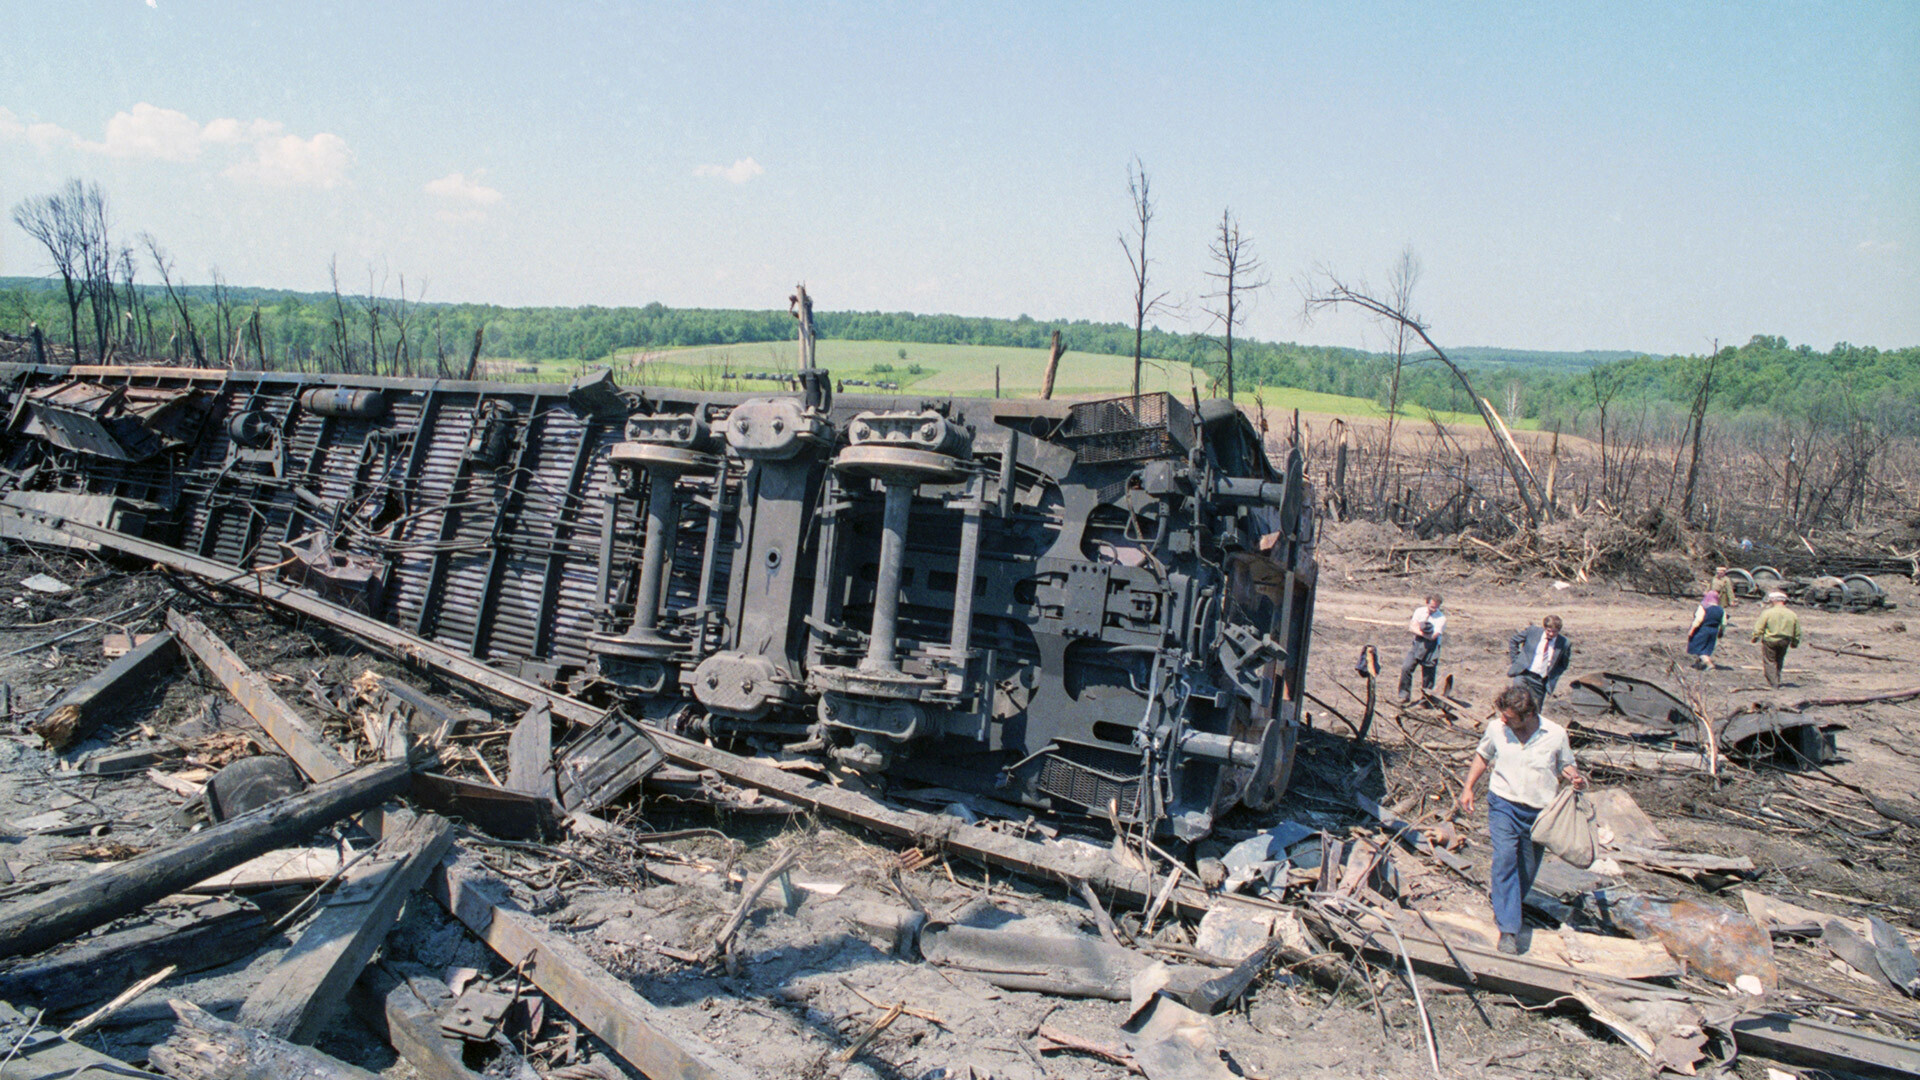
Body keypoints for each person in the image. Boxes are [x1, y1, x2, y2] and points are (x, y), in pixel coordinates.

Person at [1457, 684, 1584, 955]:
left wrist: (1574, 776)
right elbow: (1483, 755)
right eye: (1501, 714)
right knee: (1504, 858)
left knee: (1526, 870)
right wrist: (1468, 787)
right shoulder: (1496, 729)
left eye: (1510, 717)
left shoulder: (1555, 734)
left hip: (1539, 813)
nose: (1503, 720)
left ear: (1528, 715)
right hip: (1503, 803)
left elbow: (1565, 764)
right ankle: (1509, 930)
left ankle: (1506, 902)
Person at [1506, 615, 1571, 700]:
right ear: (1545, 628)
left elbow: (1563, 664)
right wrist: (1516, 661)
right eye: (1549, 631)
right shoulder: (1532, 632)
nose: (1551, 634)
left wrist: (1552, 674)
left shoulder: (1564, 643)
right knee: (1517, 702)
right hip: (1524, 674)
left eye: (1554, 632)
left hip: (1540, 681)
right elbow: (1514, 641)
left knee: (1535, 709)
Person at [1397, 594, 1446, 702]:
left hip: (1432, 648)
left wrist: (1420, 631)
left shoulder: (1441, 618)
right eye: (1432, 606)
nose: (1434, 609)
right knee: (1406, 667)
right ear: (1427, 603)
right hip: (1417, 644)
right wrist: (1423, 634)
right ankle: (1404, 695)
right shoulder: (1419, 611)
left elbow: (1434, 636)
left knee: (1428, 675)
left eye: (1436, 607)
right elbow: (1412, 627)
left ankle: (1426, 700)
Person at [1751, 591, 1802, 688]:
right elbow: (1797, 630)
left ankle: (1773, 683)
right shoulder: (1792, 614)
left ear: (1773, 600)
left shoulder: (1768, 613)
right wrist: (1795, 642)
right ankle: (1777, 679)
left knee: (1770, 661)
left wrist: (1755, 637)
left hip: (1770, 640)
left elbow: (1759, 627)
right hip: (1785, 640)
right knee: (1779, 660)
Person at [1687, 590, 1726, 670]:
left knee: (1699, 648)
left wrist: (1692, 630)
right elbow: (1724, 623)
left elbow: (1698, 619)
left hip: (1703, 630)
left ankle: (1709, 664)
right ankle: (1699, 665)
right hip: (1714, 631)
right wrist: (1721, 631)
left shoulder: (1703, 607)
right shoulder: (1721, 610)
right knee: (1707, 648)